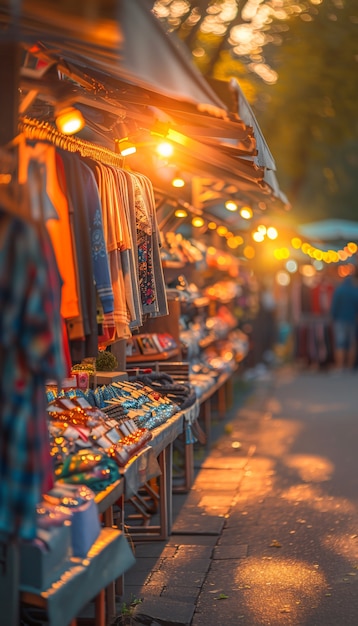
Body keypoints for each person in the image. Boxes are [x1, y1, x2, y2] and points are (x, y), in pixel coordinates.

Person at [330, 267, 358, 371]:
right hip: (352, 319)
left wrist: (333, 316)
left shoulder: (339, 290)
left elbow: (334, 306)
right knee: (351, 343)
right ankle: (349, 366)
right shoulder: (355, 291)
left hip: (340, 320)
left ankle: (340, 366)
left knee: (340, 343)